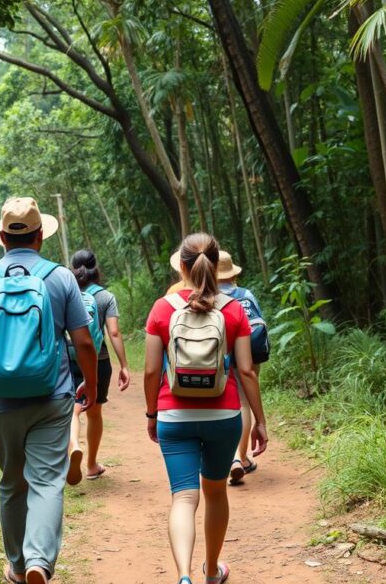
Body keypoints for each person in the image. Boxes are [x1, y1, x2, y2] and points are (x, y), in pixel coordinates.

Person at [0, 197, 98, 584]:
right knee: (48, 480)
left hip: (0, 401)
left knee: (13, 481)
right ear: (40, 238)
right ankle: (39, 562)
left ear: (1, 237)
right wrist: (91, 386)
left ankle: (17, 565)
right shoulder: (61, 278)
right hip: (52, 397)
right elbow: (84, 342)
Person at [143, 233, 269, 584]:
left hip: (173, 416)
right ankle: (211, 571)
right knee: (215, 492)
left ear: (182, 266)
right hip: (224, 416)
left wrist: (153, 414)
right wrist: (259, 421)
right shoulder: (233, 310)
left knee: (183, 499)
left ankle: (183, 576)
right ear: (215, 266)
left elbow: (152, 370)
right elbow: (246, 370)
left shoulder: (161, 308)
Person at [65, 249, 131, 484]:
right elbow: (113, 331)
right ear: (96, 268)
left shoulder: (66, 292)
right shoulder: (105, 297)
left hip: (69, 357)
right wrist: (123, 365)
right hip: (98, 360)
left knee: (72, 408)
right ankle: (92, 465)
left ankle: (73, 444)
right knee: (94, 411)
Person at [215, 251, 266, 485]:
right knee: (244, 402)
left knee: (226, 403)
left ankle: (234, 457)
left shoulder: (211, 298)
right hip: (250, 353)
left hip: (221, 356)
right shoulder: (246, 295)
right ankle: (242, 457)